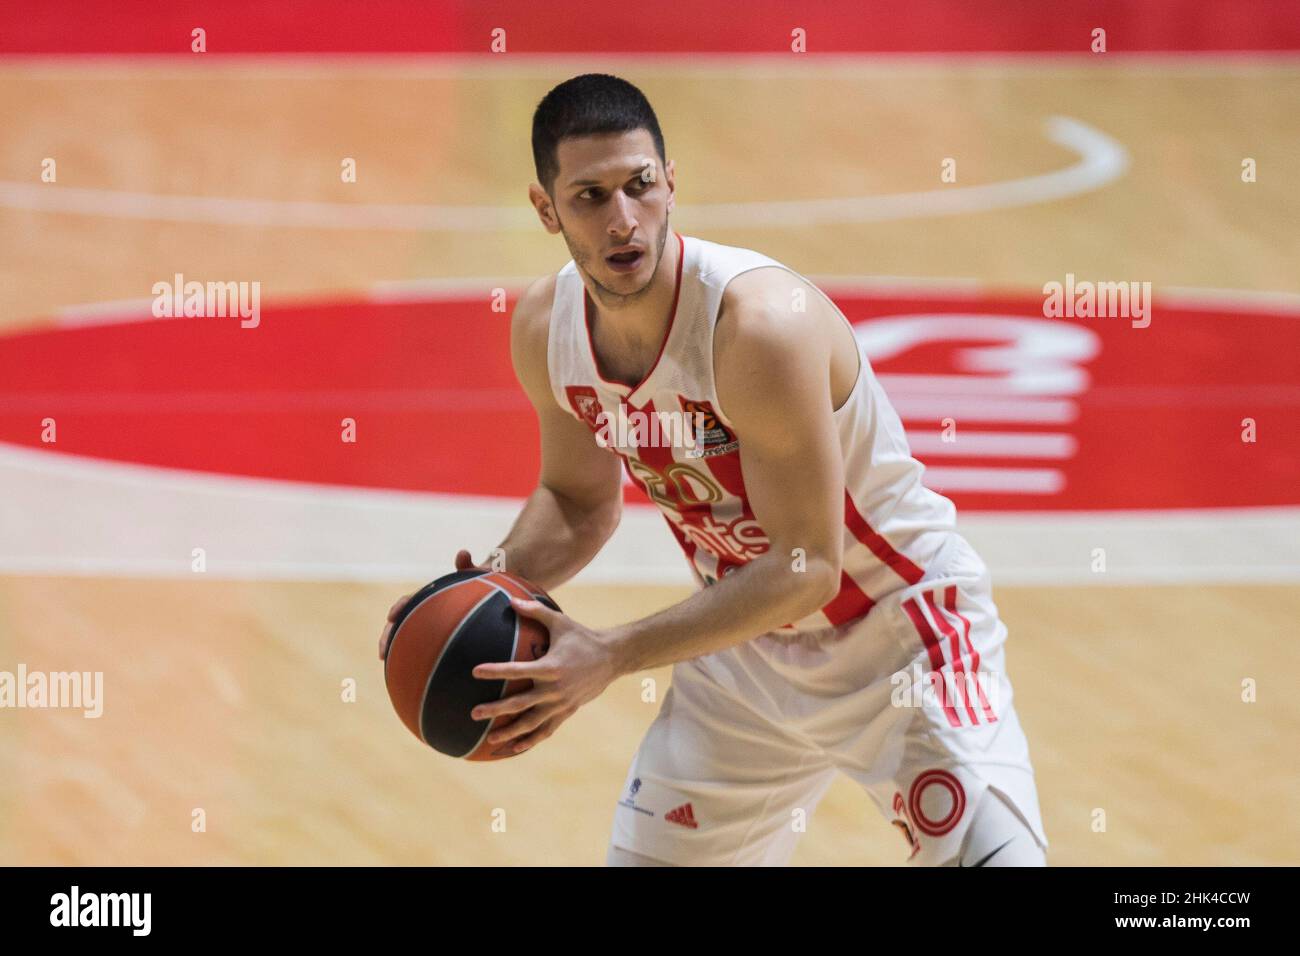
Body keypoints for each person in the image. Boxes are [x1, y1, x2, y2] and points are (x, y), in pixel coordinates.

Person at [380, 73, 1048, 867]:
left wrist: (612, 653)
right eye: (591, 197)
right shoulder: (545, 327)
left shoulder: (757, 328)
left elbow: (808, 566)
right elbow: (576, 501)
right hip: (745, 654)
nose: (624, 219)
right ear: (546, 209)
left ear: (671, 184)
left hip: (897, 636)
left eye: (641, 185)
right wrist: (480, 592)